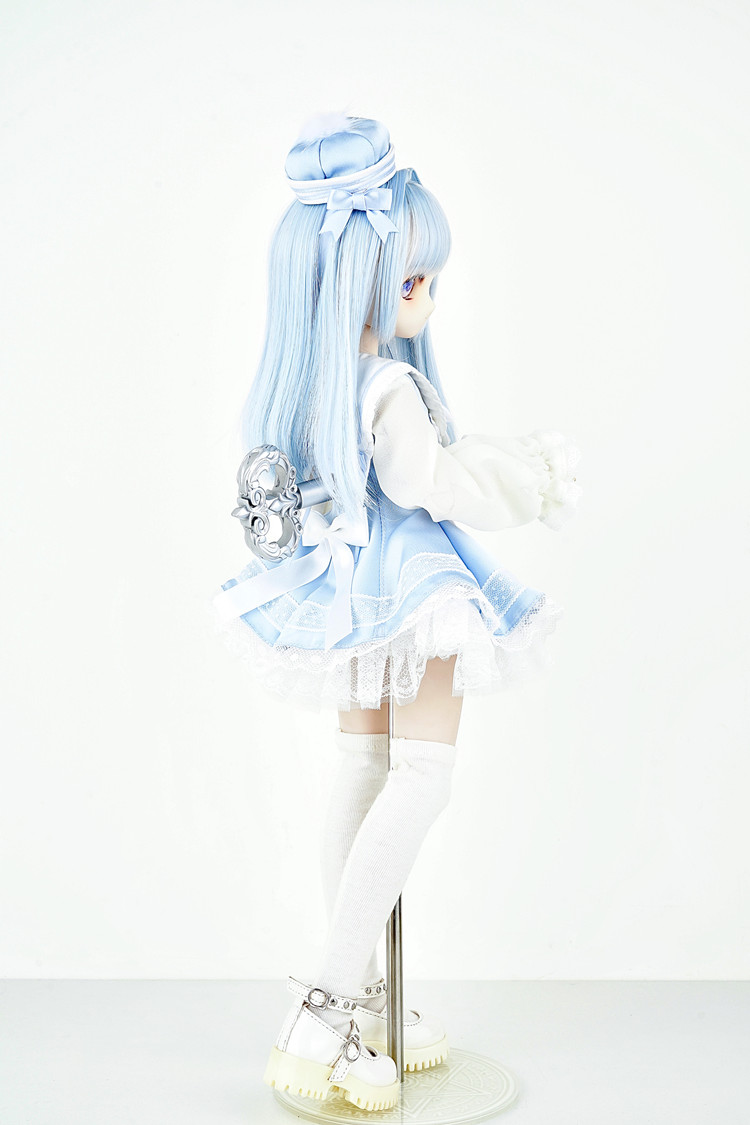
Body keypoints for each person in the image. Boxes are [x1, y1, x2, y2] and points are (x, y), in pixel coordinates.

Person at [212, 112, 581, 1112]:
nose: (427, 298)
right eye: (414, 280)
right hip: (412, 589)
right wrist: (520, 477)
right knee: (423, 774)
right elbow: (428, 486)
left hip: (347, 588)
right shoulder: (390, 388)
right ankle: (330, 1004)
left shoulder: (308, 385)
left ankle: (366, 996)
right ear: (367, 280)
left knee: (361, 766)